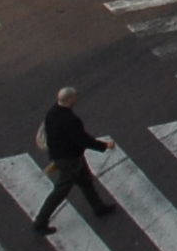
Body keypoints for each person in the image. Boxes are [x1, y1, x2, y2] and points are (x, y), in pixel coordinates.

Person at [32, 87, 121, 235]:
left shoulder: (52, 112)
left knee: (86, 181)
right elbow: (83, 140)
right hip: (69, 159)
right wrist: (105, 145)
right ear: (69, 100)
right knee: (61, 190)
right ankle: (40, 222)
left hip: (64, 155)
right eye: (74, 97)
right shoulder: (70, 120)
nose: (76, 99)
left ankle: (98, 207)